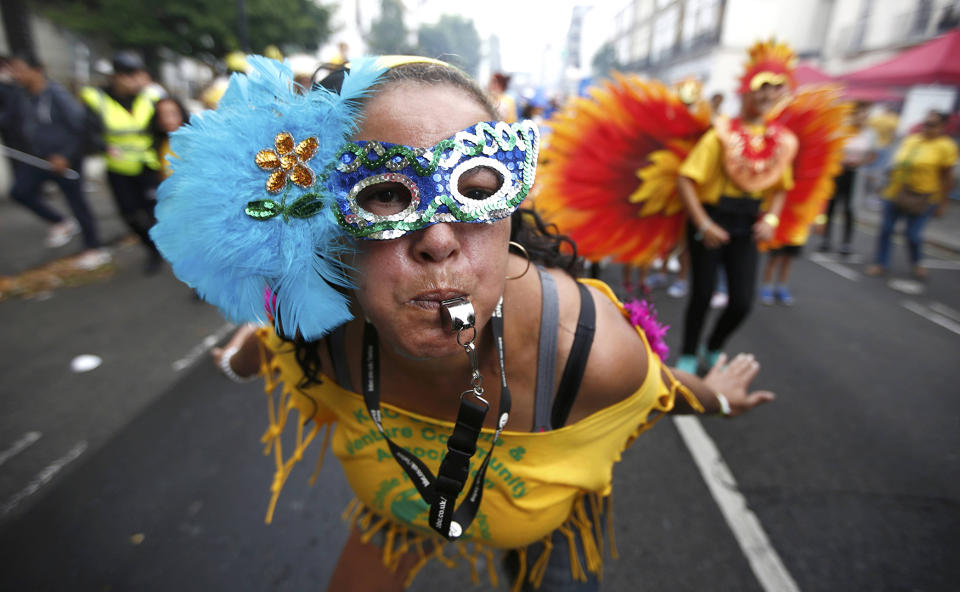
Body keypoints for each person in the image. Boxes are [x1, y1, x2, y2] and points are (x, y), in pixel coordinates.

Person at [152, 55, 775, 591]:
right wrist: (242, 356)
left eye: (478, 188)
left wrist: (718, 400)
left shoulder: (586, 349)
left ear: (512, 212)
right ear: (325, 226)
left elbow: (663, 388)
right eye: (386, 194)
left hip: (540, 519)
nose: (439, 240)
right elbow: (266, 342)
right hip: (403, 504)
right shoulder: (316, 330)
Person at [674, 44, 796, 374]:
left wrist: (771, 218)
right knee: (701, 294)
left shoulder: (782, 141)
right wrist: (702, 223)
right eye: (762, 90)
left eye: (775, 91)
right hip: (711, 219)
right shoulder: (720, 135)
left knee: (742, 302)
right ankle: (687, 354)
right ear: (746, 94)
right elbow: (685, 180)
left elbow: (782, 188)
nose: (768, 97)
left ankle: (712, 346)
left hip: (747, 222)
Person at [4, 54, 110, 269]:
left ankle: (94, 247)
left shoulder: (57, 95)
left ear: (38, 70)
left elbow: (80, 128)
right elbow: (7, 120)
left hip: (65, 160)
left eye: (19, 69)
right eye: (12, 70)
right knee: (20, 191)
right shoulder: (21, 96)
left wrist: (66, 156)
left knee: (76, 201)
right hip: (38, 159)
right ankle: (61, 221)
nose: (16, 75)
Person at [81, 51, 163, 273]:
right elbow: (88, 133)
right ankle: (153, 250)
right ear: (115, 76)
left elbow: (165, 124)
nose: (133, 80)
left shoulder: (151, 97)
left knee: (158, 211)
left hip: (148, 167)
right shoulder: (97, 100)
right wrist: (102, 145)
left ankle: (171, 248)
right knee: (131, 216)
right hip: (119, 170)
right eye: (127, 75)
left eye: (136, 74)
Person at [866, 110, 957, 279]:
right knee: (885, 229)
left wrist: (942, 203)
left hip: (923, 198)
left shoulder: (946, 147)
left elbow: (947, 177)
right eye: (925, 123)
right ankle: (881, 263)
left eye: (932, 124)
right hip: (895, 192)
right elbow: (895, 165)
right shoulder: (912, 140)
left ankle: (917, 263)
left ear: (943, 127)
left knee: (913, 235)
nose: (926, 127)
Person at [819, 101, 876, 256]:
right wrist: (841, 160)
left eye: (866, 114)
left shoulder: (869, 134)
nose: (863, 117)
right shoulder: (842, 130)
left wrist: (860, 162)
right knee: (831, 206)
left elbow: (872, 155)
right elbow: (831, 150)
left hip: (856, 174)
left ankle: (846, 243)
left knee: (850, 209)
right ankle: (825, 239)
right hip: (838, 172)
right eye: (860, 113)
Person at [150, 96, 188, 179]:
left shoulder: (194, 141)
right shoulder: (160, 143)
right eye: (162, 115)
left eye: (173, 114)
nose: (168, 120)